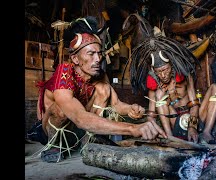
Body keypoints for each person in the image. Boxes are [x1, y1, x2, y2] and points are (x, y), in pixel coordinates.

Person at [27, 16, 166, 162]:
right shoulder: (64, 72)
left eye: (99, 54)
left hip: (78, 129)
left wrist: (131, 109)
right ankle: (55, 146)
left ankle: (90, 139)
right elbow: (79, 117)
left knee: (103, 89)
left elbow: (116, 105)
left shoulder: (99, 74)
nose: (98, 59)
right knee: (60, 108)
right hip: (51, 130)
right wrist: (132, 128)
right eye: (91, 54)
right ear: (75, 59)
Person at [129, 36, 216, 144]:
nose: (163, 75)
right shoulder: (154, 83)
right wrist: (154, 130)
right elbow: (151, 116)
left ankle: (207, 132)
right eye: (158, 72)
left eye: (165, 69)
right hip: (175, 120)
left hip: (195, 117)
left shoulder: (185, 75)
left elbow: (194, 105)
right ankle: (169, 137)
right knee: (159, 94)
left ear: (172, 66)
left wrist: (192, 127)